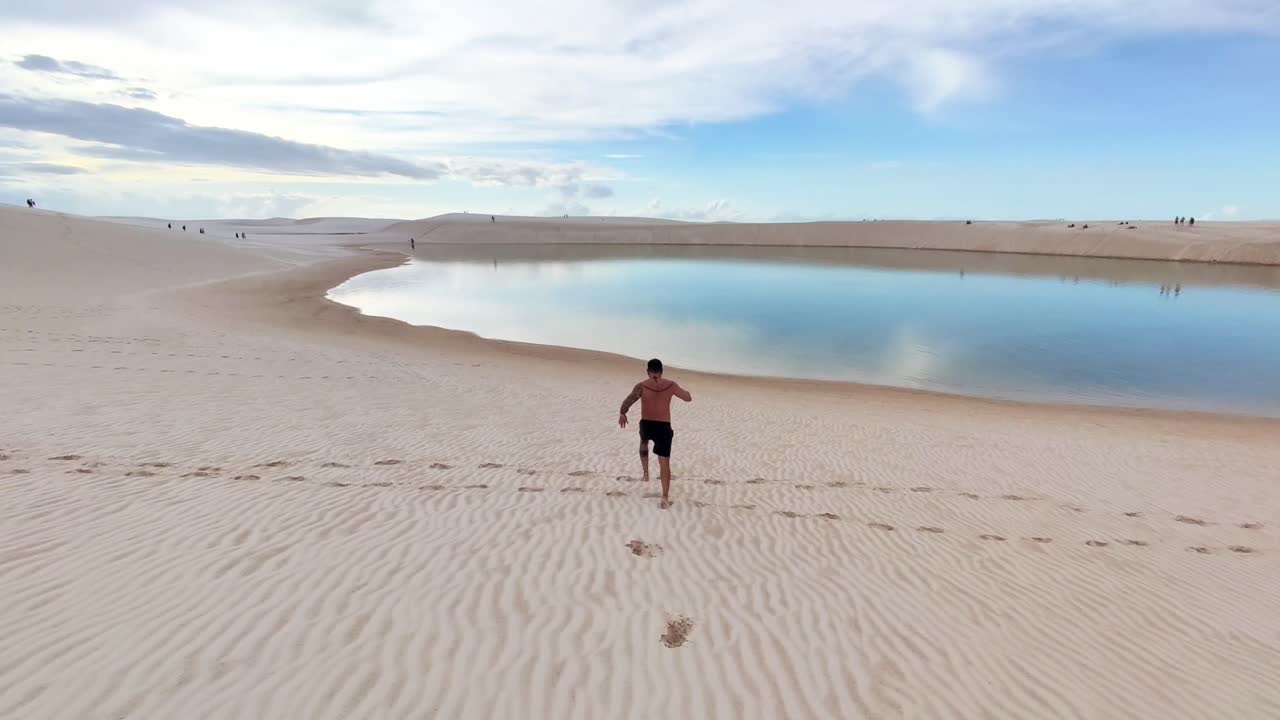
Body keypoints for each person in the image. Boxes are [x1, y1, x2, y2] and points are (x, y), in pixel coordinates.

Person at [618, 358, 692, 509]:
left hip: (647, 424)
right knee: (664, 460)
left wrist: (622, 413)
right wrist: (685, 392)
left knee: (643, 442)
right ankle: (664, 497)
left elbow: (628, 401)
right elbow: (688, 398)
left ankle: (645, 474)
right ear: (662, 371)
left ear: (647, 371)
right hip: (663, 426)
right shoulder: (671, 385)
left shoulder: (642, 386)